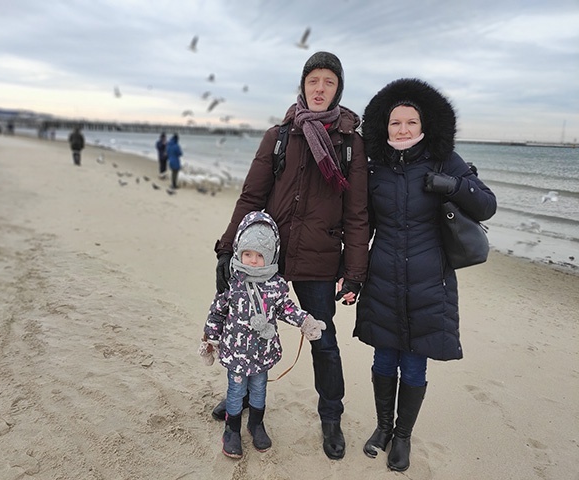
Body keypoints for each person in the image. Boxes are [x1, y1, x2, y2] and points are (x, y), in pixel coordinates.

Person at [211, 51, 370, 460]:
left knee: (324, 342)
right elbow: (252, 196)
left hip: (320, 259)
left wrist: (354, 272)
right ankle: (241, 398)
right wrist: (227, 249)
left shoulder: (351, 144)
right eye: (313, 80)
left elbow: (357, 214)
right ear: (303, 84)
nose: (320, 88)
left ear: (338, 89)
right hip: (268, 258)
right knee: (247, 329)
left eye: (329, 82)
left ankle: (331, 418)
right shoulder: (279, 136)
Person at [354, 78, 497, 472]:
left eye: (410, 122)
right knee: (384, 356)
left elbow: (486, 205)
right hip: (383, 276)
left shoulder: (444, 159)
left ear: (424, 124)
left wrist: (452, 185)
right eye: (395, 122)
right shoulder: (375, 166)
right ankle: (383, 428)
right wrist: (352, 275)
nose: (403, 129)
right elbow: (362, 223)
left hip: (429, 280)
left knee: (415, 362)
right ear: (384, 126)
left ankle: (402, 437)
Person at [200, 211, 327, 459]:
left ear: (270, 256)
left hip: (262, 352)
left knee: (259, 389)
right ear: (239, 251)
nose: (253, 260)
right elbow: (216, 312)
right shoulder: (231, 282)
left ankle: (256, 424)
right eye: (248, 254)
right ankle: (231, 430)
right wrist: (210, 339)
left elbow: (286, 308)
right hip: (236, 353)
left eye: (260, 256)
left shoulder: (275, 284)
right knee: (236, 391)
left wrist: (305, 322)